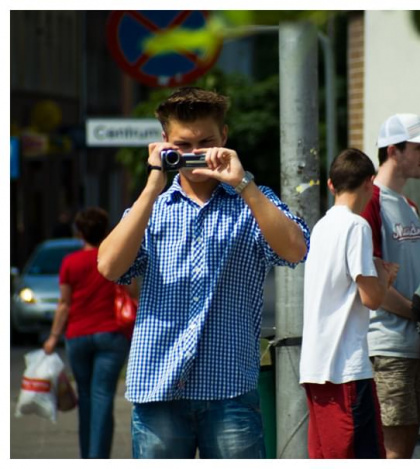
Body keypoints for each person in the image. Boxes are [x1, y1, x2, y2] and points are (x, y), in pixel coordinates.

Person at [96, 87, 310, 459]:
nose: (195, 153)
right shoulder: (155, 207)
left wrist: (243, 184)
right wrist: (151, 186)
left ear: (224, 137)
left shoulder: (252, 203)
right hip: (158, 385)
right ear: (164, 142)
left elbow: (295, 249)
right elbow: (110, 266)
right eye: (183, 144)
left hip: (228, 388)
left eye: (206, 142)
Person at [299, 148, 398, 459]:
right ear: (370, 182)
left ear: (331, 185)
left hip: (316, 366)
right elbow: (372, 298)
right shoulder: (357, 226)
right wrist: (384, 275)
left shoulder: (321, 227)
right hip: (344, 367)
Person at [360, 113, 420, 458]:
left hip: (413, 344)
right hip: (386, 344)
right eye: (419, 147)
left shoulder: (410, 205)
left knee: (407, 446)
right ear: (394, 150)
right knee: (390, 448)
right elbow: (371, 283)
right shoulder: (371, 201)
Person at [44, 207, 132, 458]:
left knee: (85, 397)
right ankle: (99, 458)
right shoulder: (114, 257)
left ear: (79, 233)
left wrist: (52, 337)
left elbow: (64, 304)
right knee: (103, 397)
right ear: (105, 231)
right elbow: (132, 290)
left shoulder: (70, 262)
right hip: (112, 334)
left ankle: (87, 458)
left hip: (78, 335)